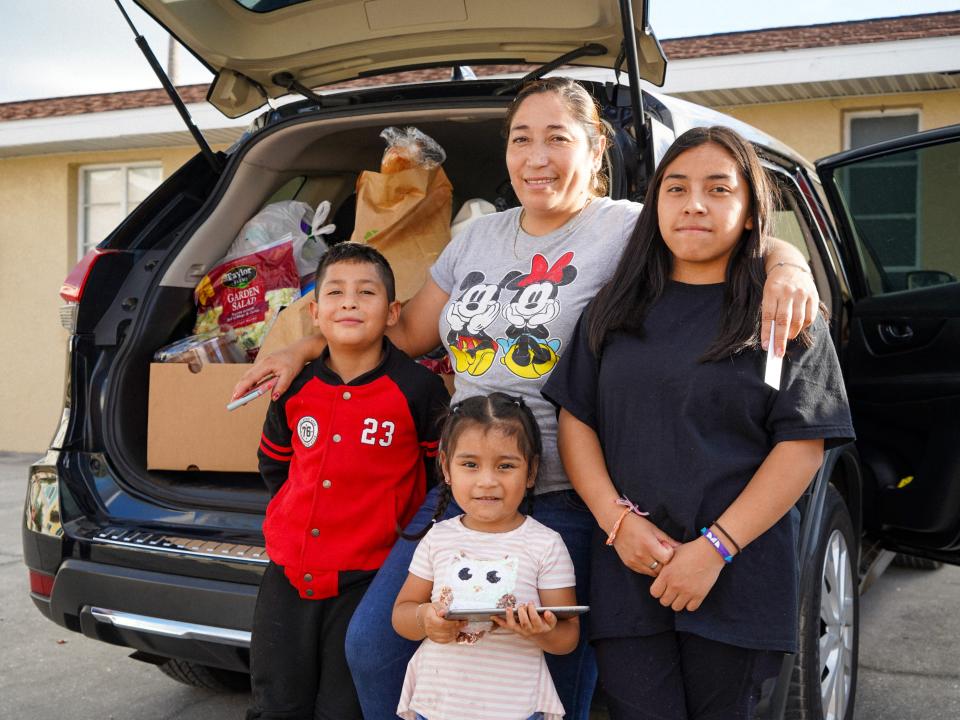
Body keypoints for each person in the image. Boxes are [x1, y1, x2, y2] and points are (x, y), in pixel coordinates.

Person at [234, 78, 821, 720]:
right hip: (457, 490)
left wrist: (789, 268)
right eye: (520, 139)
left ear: (596, 148)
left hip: (565, 497)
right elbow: (399, 333)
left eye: (556, 138)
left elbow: (725, 234)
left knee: (543, 683)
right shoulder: (476, 239)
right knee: (376, 648)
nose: (535, 157)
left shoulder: (625, 227)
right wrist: (305, 347)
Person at [542, 126, 855, 720]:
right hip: (630, 566)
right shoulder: (614, 308)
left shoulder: (781, 310)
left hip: (736, 574)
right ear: (655, 203)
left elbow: (802, 446)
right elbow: (576, 420)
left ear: (748, 208)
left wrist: (715, 548)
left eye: (718, 189)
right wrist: (617, 524)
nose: (694, 205)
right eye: (676, 188)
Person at [247, 243, 448, 720]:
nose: (350, 302)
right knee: (277, 701)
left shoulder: (417, 390)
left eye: (366, 292)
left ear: (393, 311)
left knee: (343, 707)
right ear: (316, 313)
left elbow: (433, 479)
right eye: (335, 292)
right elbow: (276, 466)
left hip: (368, 577)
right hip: (288, 575)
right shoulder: (293, 386)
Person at [392, 393, 579, 720]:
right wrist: (426, 620)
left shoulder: (546, 545)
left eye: (506, 466)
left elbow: (568, 636)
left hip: (516, 708)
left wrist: (542, 631)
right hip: (437, 705)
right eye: (470, 465)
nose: (487, 481)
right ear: (446, 469)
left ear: (531, 471)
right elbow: (402, 614)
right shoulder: (439, 537)